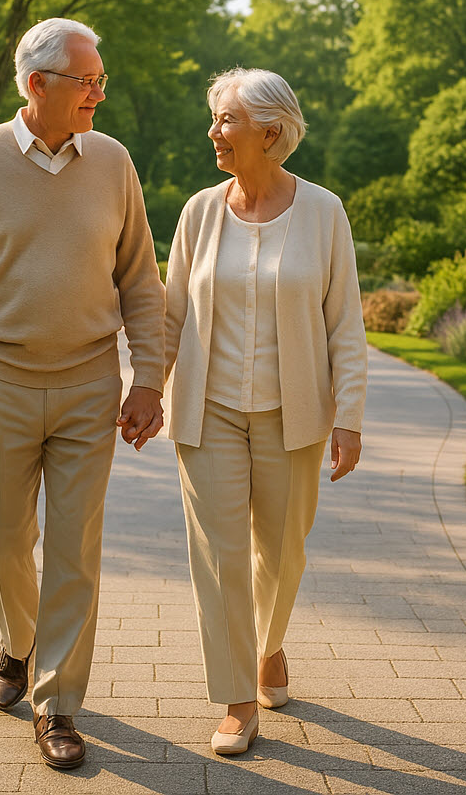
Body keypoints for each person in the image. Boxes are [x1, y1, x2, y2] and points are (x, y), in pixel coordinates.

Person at [0, 17, 165, 771]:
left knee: (74, 549)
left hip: (90, 381)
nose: (98, 94)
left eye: (100, 81)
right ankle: (19, 642)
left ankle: (57, 705)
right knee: (2, 547)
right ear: (38, 86)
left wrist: (149, 377)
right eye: (88, 82)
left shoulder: (114, 162)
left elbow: (141, 283)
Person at [162, 67, 367, 756]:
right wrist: (141, 392)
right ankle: (237, 700)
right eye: (217, 119)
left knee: (280, 555)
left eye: (227, 121)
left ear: (271, 134)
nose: (214, 132)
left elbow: (345, 324)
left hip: (293, 413)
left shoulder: (324, 212)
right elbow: (169, 316)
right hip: (207, 409)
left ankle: (270, 646)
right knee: (219, 559)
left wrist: (350, 418)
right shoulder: (198, 211)